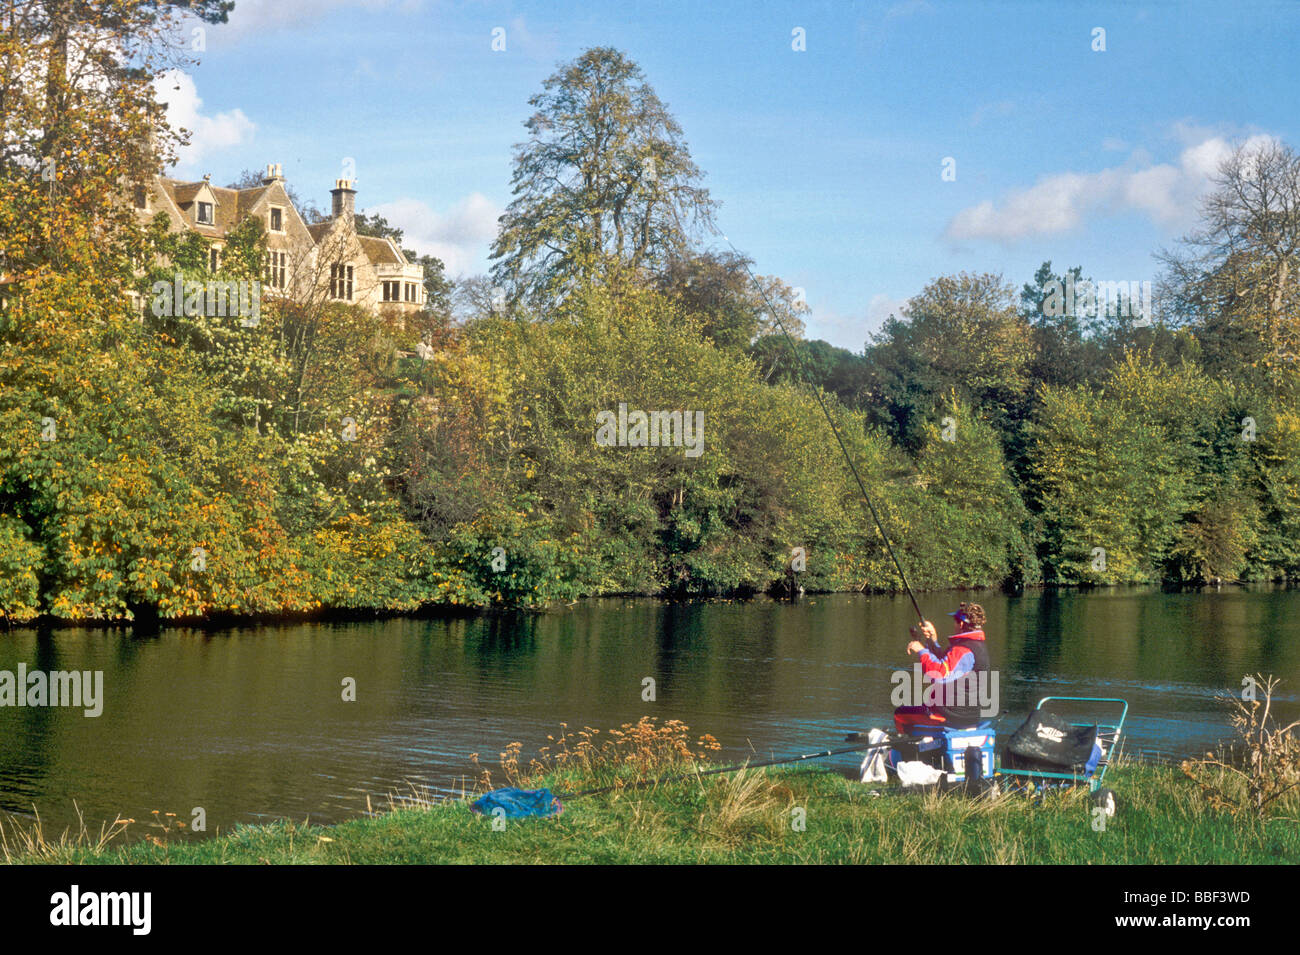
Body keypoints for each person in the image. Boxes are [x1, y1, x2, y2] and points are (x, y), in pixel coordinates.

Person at [893, 602, 991, 733]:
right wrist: (932, 640)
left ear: (961, 624)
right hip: (968, 716)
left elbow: (938, 675)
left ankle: (906, 750)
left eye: (955, 622)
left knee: (900, 714)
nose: (954, 625)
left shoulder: (963, 649)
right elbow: (946, 665)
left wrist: (921, 650)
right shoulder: (976, 646)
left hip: (950, 715)